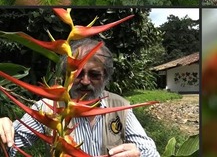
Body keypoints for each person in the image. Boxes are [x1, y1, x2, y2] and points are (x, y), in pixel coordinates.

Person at [0, 38, 160, 157]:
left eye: (94, 75)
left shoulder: (119, 105)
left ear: (105, 78)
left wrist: (138, 153)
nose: (85, 81)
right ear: (66, 75)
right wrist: (3, 130)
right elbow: (10, 145)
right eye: (77, 74)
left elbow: (150, 150)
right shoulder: (47, 107)